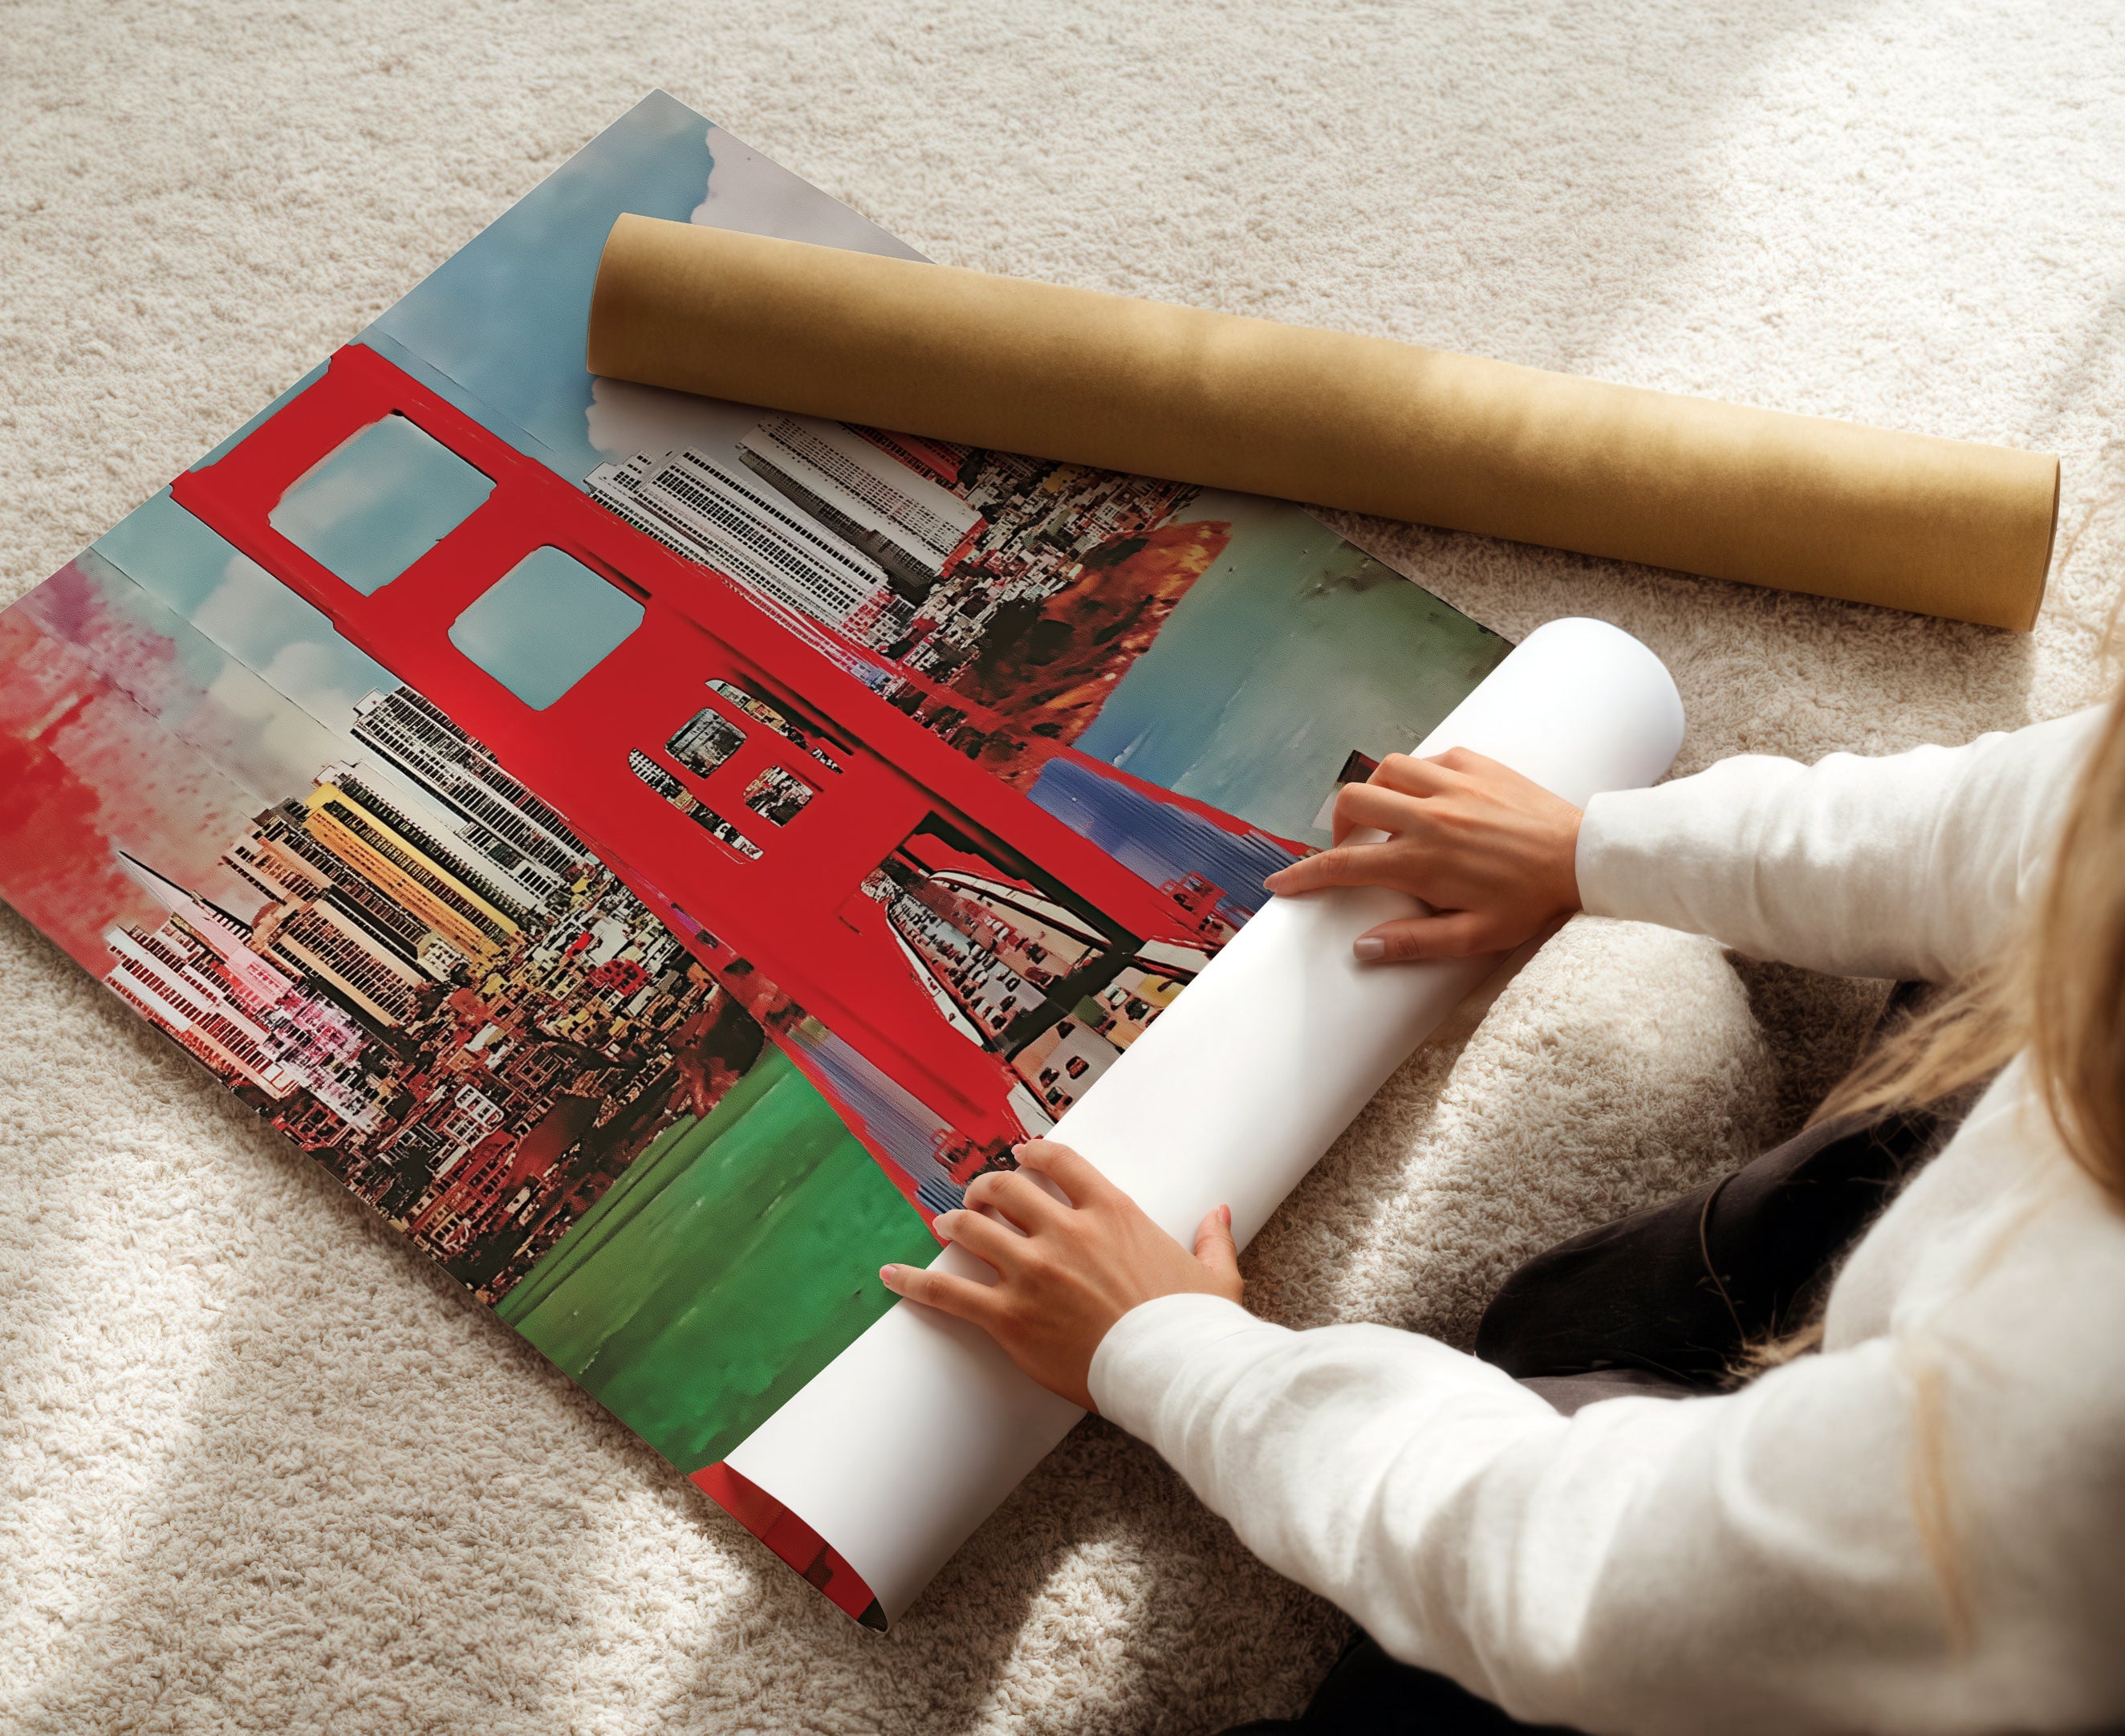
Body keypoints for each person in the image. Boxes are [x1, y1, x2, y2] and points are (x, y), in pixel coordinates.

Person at [880, 702, 2125, 1734]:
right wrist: (1590, 845)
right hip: (1960, 1380)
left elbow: (1587, 1576)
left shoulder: (2067, 1426)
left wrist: (1172, 1353)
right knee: (1574, 1313)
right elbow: (2028, 820)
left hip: (1948, 1615)